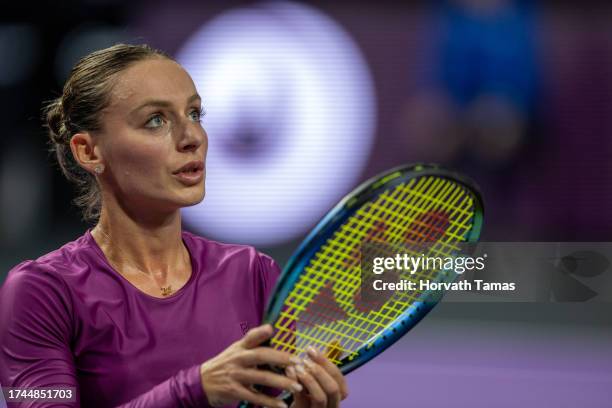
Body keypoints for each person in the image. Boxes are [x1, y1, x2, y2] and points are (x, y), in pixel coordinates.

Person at [0, 44, 347, 408]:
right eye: (156, 120)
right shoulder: (41, 292)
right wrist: (194, 390)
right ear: (88, 151)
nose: (192, 137)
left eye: (195, 113)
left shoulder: (255, 275)